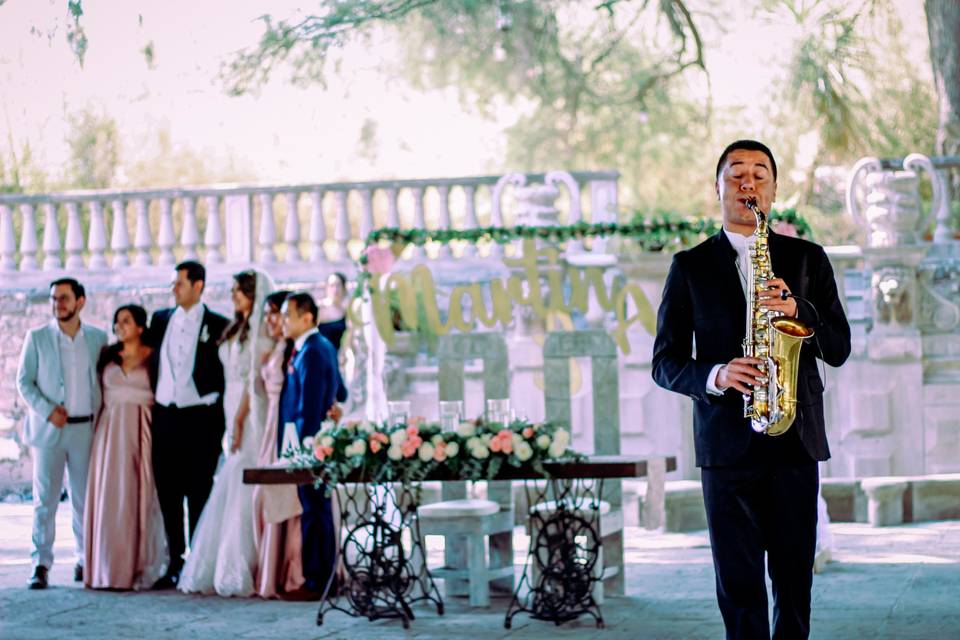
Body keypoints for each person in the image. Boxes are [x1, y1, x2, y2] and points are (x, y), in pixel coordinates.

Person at [651, 140, 851, 639]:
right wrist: (717, 375)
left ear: (775, 190)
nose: (748, 182)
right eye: (736, 172)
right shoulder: (689, 267)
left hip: (795, 440)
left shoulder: (808, 258)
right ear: (716, 187)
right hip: (726, 449)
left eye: (761, 173)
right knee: (738, 587)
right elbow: (664, 363)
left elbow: (839, 347)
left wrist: (797, 310)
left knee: (793, 582)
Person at [179, 269, 275, 597]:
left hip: (250, 412)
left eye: (239, 290)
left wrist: (238, 419)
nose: (233, 295)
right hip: (229, 405)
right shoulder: (236, 328)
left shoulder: (262, 330)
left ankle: (249, 559)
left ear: (252, 293)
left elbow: (255, 380)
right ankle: (223, 558)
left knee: (243, 476)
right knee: (232, 477)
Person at [17, 278, 108, 589]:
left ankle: (85, 559)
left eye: (65, 298)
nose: (58, 304)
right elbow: (24, 382)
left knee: (85, 499)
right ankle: (40, 564)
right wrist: (47, 409)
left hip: (86, 430)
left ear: (80, 301)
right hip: (48, 431)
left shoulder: (98, 338)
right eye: (54, 299)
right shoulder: (37, 337)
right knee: (45, 500)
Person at [148, 260, 229, 589]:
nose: (173, 289)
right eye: (173, 283)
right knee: (167, 491)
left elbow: (227, 376)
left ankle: (198, 559)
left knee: (199, 490)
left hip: (201, 418)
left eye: (179, 283)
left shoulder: (219, 325)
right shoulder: (160, 320)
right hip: (166, 416)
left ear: (198, 286)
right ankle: (174, 560)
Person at [84, 304, 168, 590]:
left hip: (142, 431)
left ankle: (136, 566)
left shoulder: (155, 358)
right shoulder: (107, 356)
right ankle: (106, 568)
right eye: (117, 321)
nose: (119, 326)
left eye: (126, 321)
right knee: (109, 498)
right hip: (109, 435)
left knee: (137, 496)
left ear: (141, 327)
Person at [279, 291, 347, 597]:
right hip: (310, 441)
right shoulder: (314, 347)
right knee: (315, 509)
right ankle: (320, 578)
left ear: (307, 317)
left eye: (287, 315)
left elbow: (308, 406)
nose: (282, 321)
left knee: (315, 511)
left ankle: (318, 581)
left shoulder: (314, 350)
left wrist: (302, 449)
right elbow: (341, 392)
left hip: (311, 445)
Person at [252, 289, 307, 599]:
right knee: (264, 495)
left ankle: (290, 568)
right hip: (269, 425)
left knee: (286, 495)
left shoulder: (294, 350)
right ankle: (270, 566)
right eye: (271, 314)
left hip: (285, 426)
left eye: (278, 313)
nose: (273, 320)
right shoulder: (276, 349)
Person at [316, 272, 348, 354]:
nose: (335, 289)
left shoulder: (346, 310)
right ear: (326, 288)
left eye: (338, 285)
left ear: (344, 288)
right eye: (332, 285)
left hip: (340, 356)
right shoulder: (320, 309)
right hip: (322, 354)